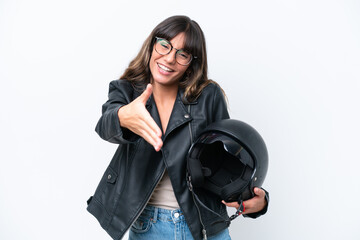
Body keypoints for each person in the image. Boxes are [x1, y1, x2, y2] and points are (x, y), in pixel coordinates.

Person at [87, 15, 269, 240]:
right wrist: (123, 117)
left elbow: (228, 158)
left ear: (192, 61)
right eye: (164, 45)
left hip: (205, 224)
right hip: (149, 226)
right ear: (152, 44)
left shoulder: (207, 95)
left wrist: (256, 199)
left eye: (182, 54)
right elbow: (105, 124)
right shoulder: (127, 90)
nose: (170, 58)